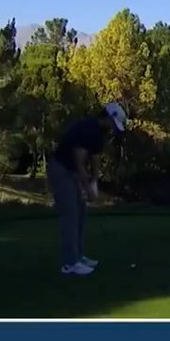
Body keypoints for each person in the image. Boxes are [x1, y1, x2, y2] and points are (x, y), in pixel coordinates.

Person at [48, 101, 128, 276]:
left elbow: (95, 158)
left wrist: (95, 182)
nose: (114, 129)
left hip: (72, 171)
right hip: (62, 170)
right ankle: (69, 263)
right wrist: (88, 187)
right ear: (108, 117)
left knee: (81, 212)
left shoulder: (99, 132)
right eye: (114, 124)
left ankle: (78, 256)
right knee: (70, 216)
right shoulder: (88, 129)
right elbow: (79, 161)